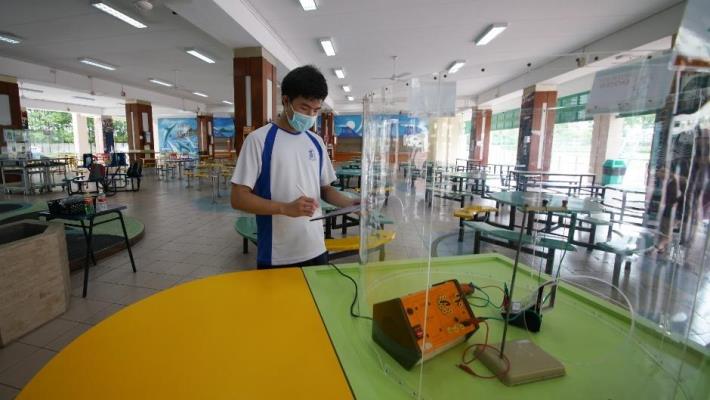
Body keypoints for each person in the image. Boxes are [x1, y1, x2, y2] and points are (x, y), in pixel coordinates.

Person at [230, 65, 356, 269]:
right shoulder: (259, 140)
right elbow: (238, 198)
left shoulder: (316, 141)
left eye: (316, 110)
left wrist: (350, 204)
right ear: (285, 100)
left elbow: (325, 189)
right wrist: (285, 208)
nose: (310, 116)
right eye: (304, 108)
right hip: (278, 253)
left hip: (316, 246)